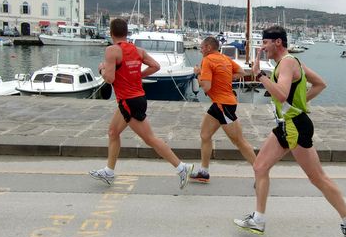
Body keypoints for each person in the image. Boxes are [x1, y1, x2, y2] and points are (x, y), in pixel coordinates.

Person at [233, 26, 346, 237]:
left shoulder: (287, 63)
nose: (262, 47)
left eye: (265, 42)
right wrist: (299, 105)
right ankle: (259, 220)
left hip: (295, 127)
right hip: (288, 124)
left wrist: (260, 75)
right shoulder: (293, 63)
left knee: (318, 178)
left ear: (278, 43)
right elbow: (321, 83)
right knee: (260, 167)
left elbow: (281, 93)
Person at [89, 18, 194, 189]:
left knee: (150, 139)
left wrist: (101, 68)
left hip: (129, 102)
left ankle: (182, 168)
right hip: (135, 99)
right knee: (113, 131)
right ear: (126, 32)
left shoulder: (112, 51)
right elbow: (155, 66)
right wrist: (139, 76)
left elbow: (109, 78)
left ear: (111, 32)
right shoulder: (138, 50)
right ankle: (109, 171)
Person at [190, 36, 256, 183]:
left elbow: (206, 86)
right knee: (205, 135)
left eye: (201, 47)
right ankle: (204, 172)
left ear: (208, 47)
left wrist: (197, 73)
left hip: (223, 105)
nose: (200, 50)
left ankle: (260, 172)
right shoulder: (225, 58)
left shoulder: (207, 60)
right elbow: (241, 73)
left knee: (239, 141)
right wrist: (223, 78)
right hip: (220, 104)